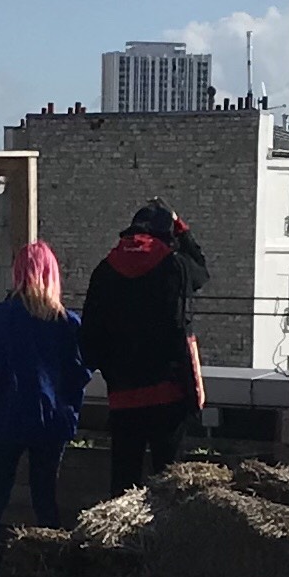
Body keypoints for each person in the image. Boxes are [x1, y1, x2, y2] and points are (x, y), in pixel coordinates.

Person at [0, 240, 91, 575]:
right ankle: (54, 572)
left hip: (5, 421)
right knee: (45, 498)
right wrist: (66, 413)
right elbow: (80, 374)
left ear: (17, 274)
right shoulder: (67, 324)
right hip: (51, 423)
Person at [80, 201, 209, 492]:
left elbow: (89, 336)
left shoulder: (104, 270)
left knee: (124, 482)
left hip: (123, 396)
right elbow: (201, 271)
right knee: (169, 482)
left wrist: (111, 372)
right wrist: (182, 229)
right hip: (169, 393)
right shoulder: (175, 266)